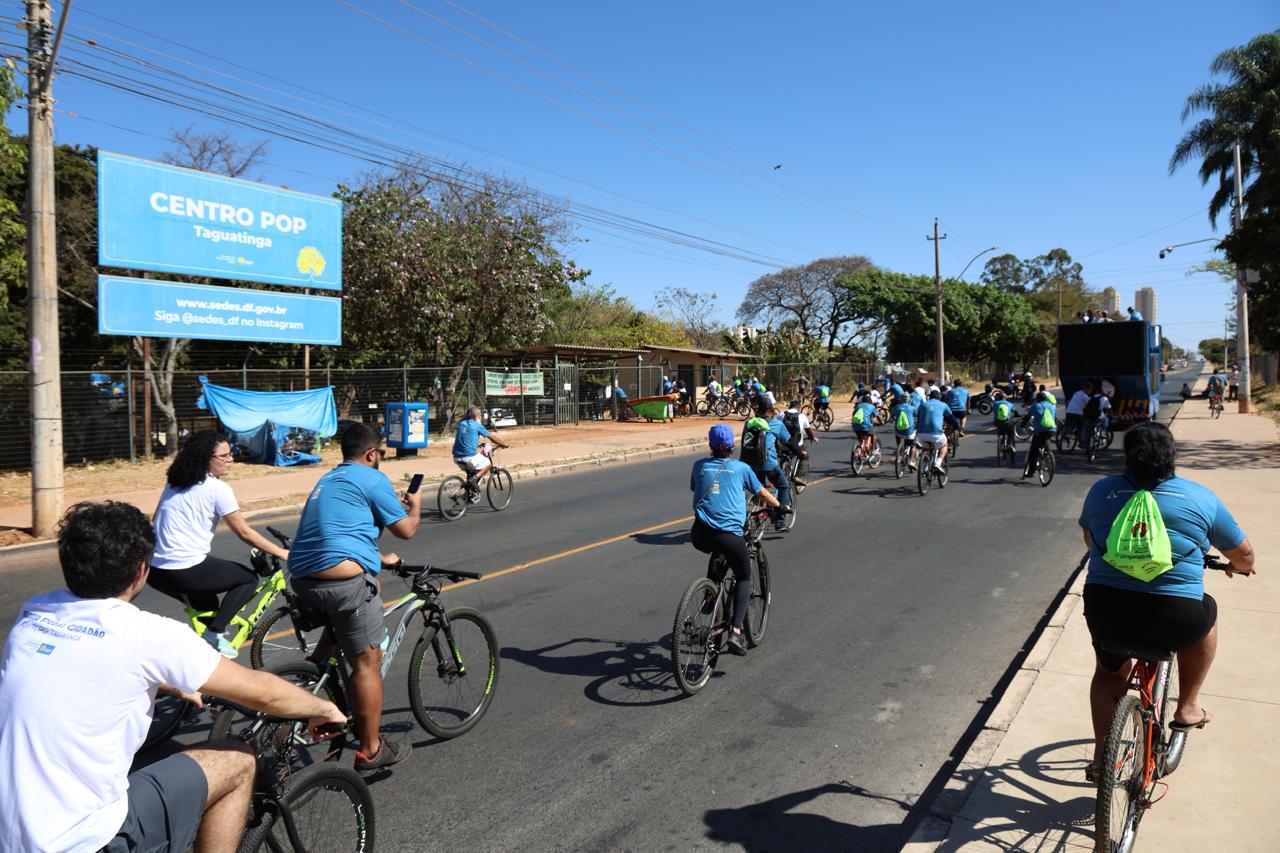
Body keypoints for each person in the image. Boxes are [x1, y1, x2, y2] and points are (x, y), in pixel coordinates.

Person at [0, 501, 345, 852]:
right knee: (239, 760)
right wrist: (323, 708)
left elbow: (87, 668)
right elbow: (264, 693)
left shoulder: (35, 614)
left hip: (12, 833)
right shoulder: (145, 633)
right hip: (83, 840)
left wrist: (169, 682)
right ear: (141, 572)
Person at [1076, 422, 1255, 781]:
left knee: (1109, 672)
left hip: (1107, 608)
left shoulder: (1101, 492)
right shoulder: (1200, 497)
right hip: (1174, 616)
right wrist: (1239, 567)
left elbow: (1089, 540)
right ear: (1171, 456)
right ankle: (1187, 707)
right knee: (1208, 613)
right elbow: (1244, 554)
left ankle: (1101, 758)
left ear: (1127, 457)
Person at [286, 423, 422, 772]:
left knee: (331, 646)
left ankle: (305, 687)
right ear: (372, 454)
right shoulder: (373, 478)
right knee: (366, 663)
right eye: (381, 455)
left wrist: (379, 559)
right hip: (343, 585)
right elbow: (406, 531)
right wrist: (416, 505)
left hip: (302, 578)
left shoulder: (328, 480)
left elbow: (340, 531)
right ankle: (371, 750)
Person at [147, 430, 291, 658]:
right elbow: (244, 532)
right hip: (184, 569)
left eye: (231, 454)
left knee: (208, 603)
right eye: (223, 456)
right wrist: (281, 552)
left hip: (155, 572)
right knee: (247, 579)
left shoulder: (175, 482)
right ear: (206, 459)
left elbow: (156, 521)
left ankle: (203, 658)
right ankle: (215, 633)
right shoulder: (218, 489)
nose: (231, 460)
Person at [690, 425, 780, 655]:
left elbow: (695, 487)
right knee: (744, 577)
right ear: (732, 445)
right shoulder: (741, 468)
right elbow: (762, 493)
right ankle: (736, 633)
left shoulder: (698, 466)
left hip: (699, 534)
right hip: (730, 535)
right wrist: (780, 505)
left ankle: (710, 595)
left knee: (717, 550)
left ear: (710, 445)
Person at [742, 412, 793, 532]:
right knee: (783, 486)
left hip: (751, 463)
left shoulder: (748, 423)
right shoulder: (776, 424)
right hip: (769, 465)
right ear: (770, 413)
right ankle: (780, 521)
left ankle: (757, 509)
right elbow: (788, 440)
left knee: (758, 487)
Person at [453, 406, 509, 493]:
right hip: (469, 456)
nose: (481, 417)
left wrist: (477, 444)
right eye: (480, 415)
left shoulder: (462, 423)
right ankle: (474, 479)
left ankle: (468, 493)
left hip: (456, 457)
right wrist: (503, 444)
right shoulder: (477, 425)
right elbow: (492, 438)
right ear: (476, 416)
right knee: (488, 464)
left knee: (473, 470)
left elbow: (466, 437)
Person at [915, 390, 958, 474]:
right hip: (936, 434)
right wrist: (957, 426)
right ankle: (938, 463)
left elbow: (918, 416)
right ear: (939, 397)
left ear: (929, 397)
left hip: (921, 435)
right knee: (944, 444)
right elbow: (951, 419)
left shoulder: (923, 404)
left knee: (925, 447)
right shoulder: (943, 405)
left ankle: (925, 467)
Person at [1022, 390, 1057, 479]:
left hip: (1040, 431)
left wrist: (1023, 425)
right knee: (1045, 441)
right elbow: (1055, 419)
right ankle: (1049, 456)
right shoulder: (1053, 406)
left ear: (1037, 399)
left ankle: (1031, 472)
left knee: (1033, 451)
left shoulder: (1035, 406)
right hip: (1051, 430)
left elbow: (1027, 417)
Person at [891, 388, 920, 469]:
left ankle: (899, 451)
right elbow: (918, 416)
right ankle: (911, 461)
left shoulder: (897, 407)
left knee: (897, 436)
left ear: (901, 399)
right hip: (909, 431)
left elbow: (892, 416)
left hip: (898, 431)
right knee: (913, 445)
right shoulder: (912, 408)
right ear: (909, 400)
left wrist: (892, 418)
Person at [1082, 384, 1112, 451]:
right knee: (1106, 419)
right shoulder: (1104, 398)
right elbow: (1109, 409)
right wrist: (1110, 415)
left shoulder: (1089, 398)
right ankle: (1103, 432)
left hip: (1089, 418)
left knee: (1088, 432)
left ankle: (1086, 448)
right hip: (1099, 418)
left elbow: (1084, 408)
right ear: (1102, 392)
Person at [1065, 381, 1094, 446]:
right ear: (1087, 389)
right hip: (1078, 413)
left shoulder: (1077, 393)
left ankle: (1067, 434)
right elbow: (1087, 407)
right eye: (1090, 390)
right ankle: (1081, 442)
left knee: (1068, 424)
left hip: (1069, 411)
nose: (1090, 391)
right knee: (1082, 427)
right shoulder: (1085, 397)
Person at [851, 392, 879, 459]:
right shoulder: (871, 406)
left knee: (860, 438)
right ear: (870, 401)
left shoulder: (858, 406)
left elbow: (853, 414)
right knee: (873, 435)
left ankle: (861, 449)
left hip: (855, 426)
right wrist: (881, 422)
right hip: (866, 426)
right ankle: (873, 450)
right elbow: (877, 416)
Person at [993, 394, 1017, 463]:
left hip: (998, 423)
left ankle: (1000, 442)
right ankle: (1010, 444)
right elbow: (1015, 412)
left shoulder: (995, 404)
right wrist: (1017, 415)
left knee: (1000, 432)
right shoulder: (1009, 403)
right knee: (1011, 433)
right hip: (1008, 422)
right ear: (1005, 398)